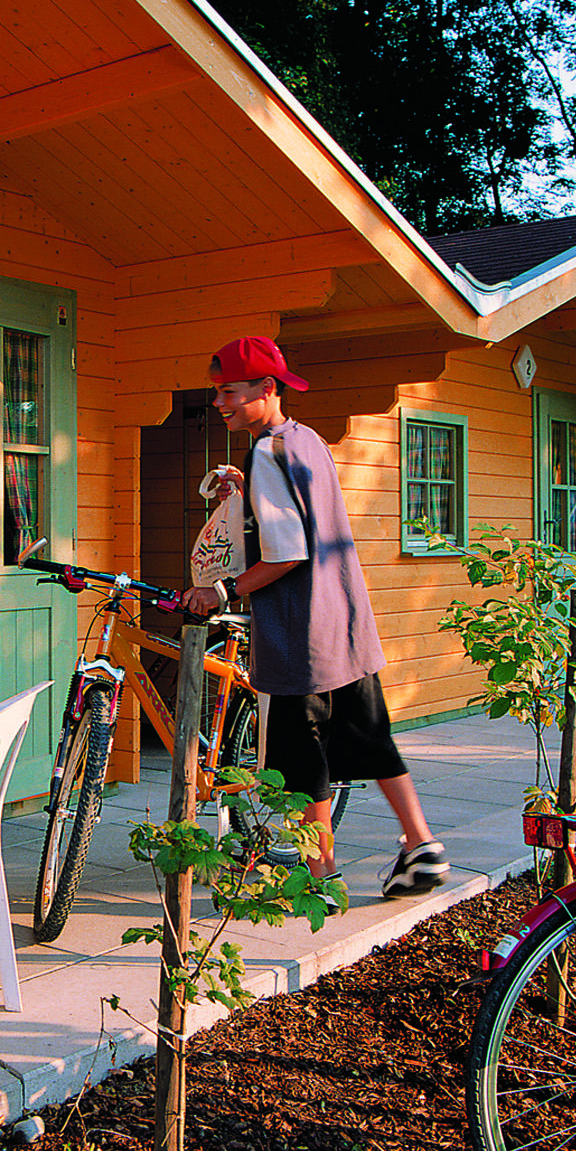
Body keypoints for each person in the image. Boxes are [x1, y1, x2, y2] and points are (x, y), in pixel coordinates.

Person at [181, 337, 449, 900]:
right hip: (346, 622)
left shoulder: (266, 454)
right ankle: (420, 844)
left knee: (302, 758)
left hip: (300, 637)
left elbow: (286, 552)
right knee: (371, 737)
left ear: (267, 389)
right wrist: (246, 490)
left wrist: (222, 590)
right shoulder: (307, 442)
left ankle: (319, 872)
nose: (220, 402)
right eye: (217, 392)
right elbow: (301, 514)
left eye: (230, 391)